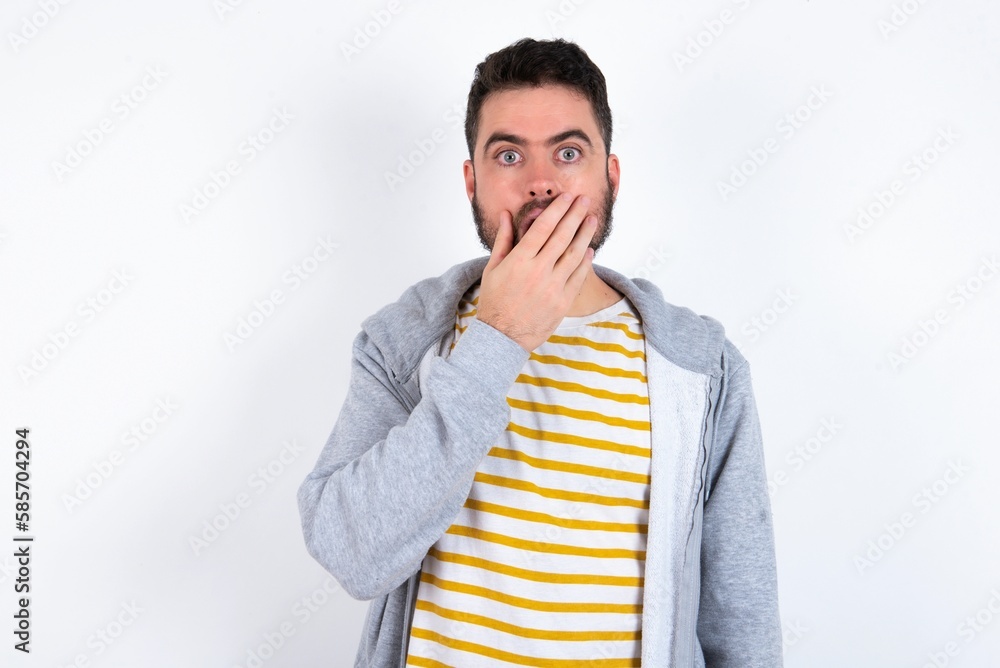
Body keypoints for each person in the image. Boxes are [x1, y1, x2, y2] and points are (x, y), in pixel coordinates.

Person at [297, 37, 783, 667]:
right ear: (471, 182)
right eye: (508, 155)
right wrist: (498, 338)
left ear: (610, 177)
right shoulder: (402, 343)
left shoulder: (702, 369)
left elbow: (741, 622)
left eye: (569, 152)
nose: (541, 183)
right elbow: (351, 553)